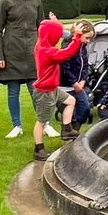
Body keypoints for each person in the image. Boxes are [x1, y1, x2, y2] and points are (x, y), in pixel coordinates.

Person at [0, 0, 60, 139]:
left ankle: (45, 124)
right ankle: (17, 125)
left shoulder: (36, 2)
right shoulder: (5, 1)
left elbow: (42, 28)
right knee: (13, 91)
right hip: (11, 53)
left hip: (33, 54)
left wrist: (47, 52)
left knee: (37, 91)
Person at [32, 19, 87, 161]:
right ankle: (39, 150)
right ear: (51, 36)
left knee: (71, 100)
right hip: (45, 91)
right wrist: (77, 37)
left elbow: (48, 32)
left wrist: (54, 24)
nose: (60, 37)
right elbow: (68, 53)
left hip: (52, 88)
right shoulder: (47, 51)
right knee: (41, 122)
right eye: (58, 35)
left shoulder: (41, 45)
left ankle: (67, 129)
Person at [60, 19, 97, 131]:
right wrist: (74, 83)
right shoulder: (67, 46)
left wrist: (83, 80)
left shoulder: (83, 48)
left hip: (79, 85)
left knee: (85, 108)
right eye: (87, 38)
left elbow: (85, 66)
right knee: (69, 112)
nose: (88, 41)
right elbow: (64, 67)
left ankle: (75, 131)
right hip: (65, 86)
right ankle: (68, 133)